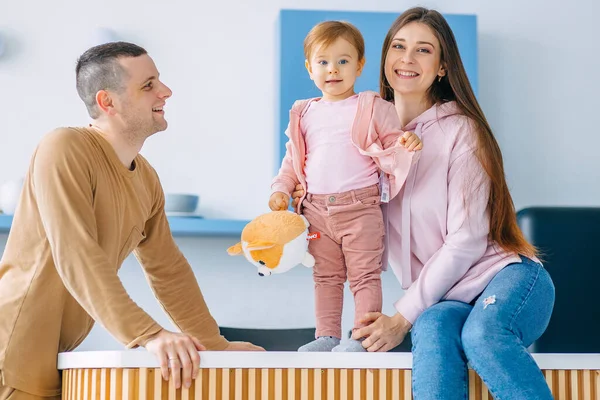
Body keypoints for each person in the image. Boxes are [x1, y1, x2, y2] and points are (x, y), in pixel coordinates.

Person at [292, 7, 555, 399]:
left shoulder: (461, 131)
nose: (407, 58)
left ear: (442, 67)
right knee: (431, 328)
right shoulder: (364, 136)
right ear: (383, 59)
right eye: (398, 46)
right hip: (444, 299)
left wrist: (400, 318)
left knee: (482, 335)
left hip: (507, 279)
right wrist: (306, 199)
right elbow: (351, 211)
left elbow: (466, 239)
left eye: (423, 50)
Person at [0, 42, 262, 399]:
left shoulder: (147, 178)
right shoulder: (63, 148)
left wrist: (214, 345)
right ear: (108, 102)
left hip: (57, 360)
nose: (165, 92)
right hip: (11, 356)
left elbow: (168, 269)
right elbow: (76, 253)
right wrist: (149, 334)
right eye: (148, 85)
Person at [270, 21, 422, 353]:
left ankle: (362, 337)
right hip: (316, 210)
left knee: (364, 276)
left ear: (359, 65)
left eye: (343, 61)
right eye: (323, 61)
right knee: (325, 277)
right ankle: (326, 336)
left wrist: (406, 141)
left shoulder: (373, 106)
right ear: (310, 68)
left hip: (361, 208)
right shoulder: (304, 112)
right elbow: (293, 160)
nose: (333, 70)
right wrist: (281, 189)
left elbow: (393, 142)